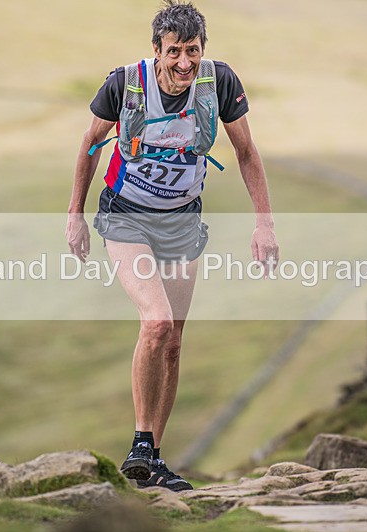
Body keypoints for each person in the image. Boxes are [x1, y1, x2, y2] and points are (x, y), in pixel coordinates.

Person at [66, 0, 278, 491]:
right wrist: (75, 215)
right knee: (156, 322)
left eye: (194, 51)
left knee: (175, 343)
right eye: (176, 52)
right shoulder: (124, 84)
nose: (185, 63)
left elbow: (247, 153)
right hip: (126, 219)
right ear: (157, 50)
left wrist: (264, 224)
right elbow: (89, 146)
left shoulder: (218, 83)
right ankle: (141, 442)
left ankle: (152, 462)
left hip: (183, 223)